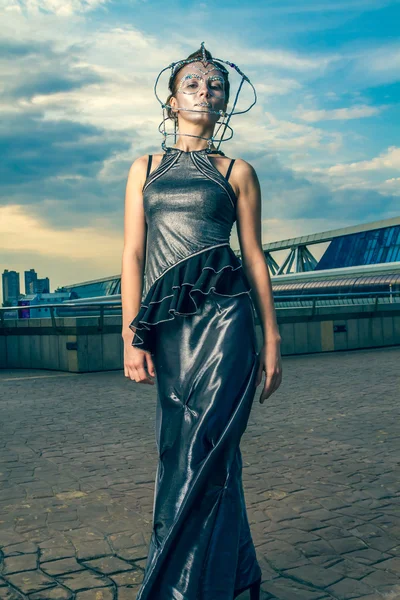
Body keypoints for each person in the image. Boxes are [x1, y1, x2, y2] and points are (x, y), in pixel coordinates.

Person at [121, 43, 282, 600]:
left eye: (215, 85)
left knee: (209, 445)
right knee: (180, 448)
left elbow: (256, 257)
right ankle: (233, 580)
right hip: (168, 328)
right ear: (171, 101)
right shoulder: (143, 168)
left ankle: (186, 589)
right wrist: (130, 335)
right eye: (193, 83)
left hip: (227, 319)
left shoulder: (239, 171)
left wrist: (272, 340)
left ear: (225, 103)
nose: (204, 90)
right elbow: (133, 256)